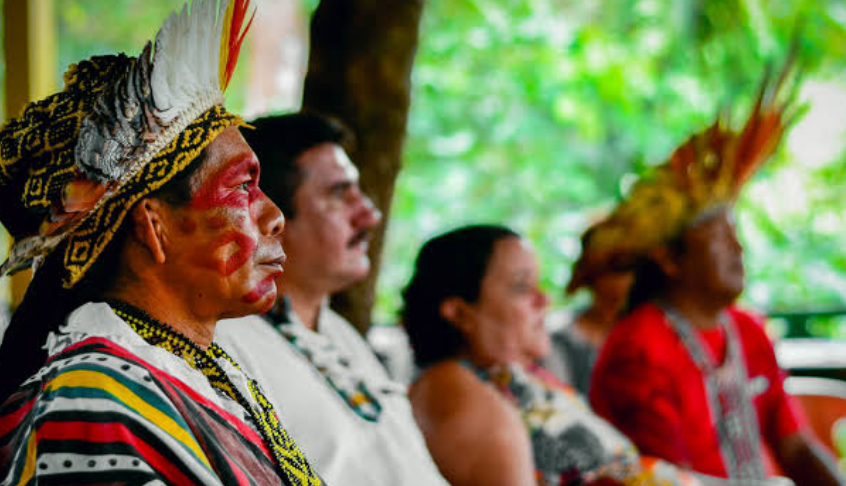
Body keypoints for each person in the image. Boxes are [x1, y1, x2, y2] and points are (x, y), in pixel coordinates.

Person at [0, 2, 322, 484]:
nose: (274, 216)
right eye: (241, 187)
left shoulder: (195, 369)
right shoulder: (93, 404)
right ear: (153, 226)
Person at [587, 63, 845, 486]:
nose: (739, 249)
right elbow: (670, 479)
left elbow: (795, 446)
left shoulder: (746, 330)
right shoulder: (638, 348)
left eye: (736, 236)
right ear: (670, 260)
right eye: (722, 240)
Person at [402, 224, 748, 486]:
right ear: (460, 313)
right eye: (522, 287)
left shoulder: (513, 378)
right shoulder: (451, 389)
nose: (544, 301)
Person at [214, 113, 450, 486]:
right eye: (340, 195)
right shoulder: (224, 343)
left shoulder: (341, 336)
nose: (369, 216)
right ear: (269, 215)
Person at [544, 224, 633, 394]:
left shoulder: (654, 334)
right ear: (593, 273)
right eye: (622, 267)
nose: (632, 278)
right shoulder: (560, 338)